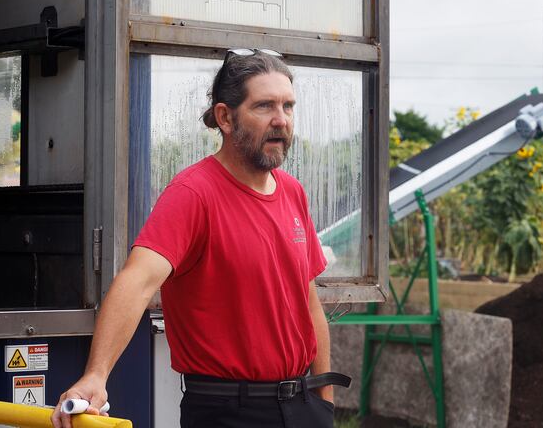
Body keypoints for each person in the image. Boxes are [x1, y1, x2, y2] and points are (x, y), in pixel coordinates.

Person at [51, 48, 350, 428]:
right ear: (225, 117)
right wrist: (96, 374)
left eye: (288, 106)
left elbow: (308, 302)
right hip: (228, 411)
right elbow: (137, 282)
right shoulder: (193, 193)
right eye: (264, 107)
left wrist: (324, 400)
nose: (281, 120)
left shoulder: (293, 192)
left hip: (304, 405)